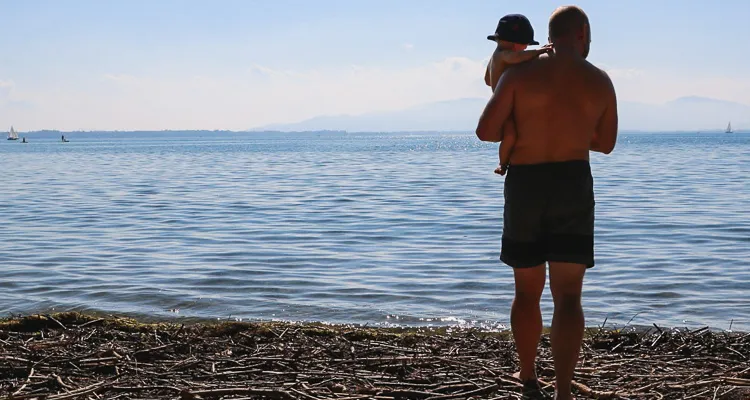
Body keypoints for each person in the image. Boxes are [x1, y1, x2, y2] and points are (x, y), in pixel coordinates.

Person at [475, 5, 618, 400]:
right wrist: (571, 134)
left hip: (526, 184)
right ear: (582, 33)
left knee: (526, 291)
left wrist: (529, 129)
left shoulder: (519, 75)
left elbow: (486, 131)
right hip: (572, 182)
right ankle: (564, 393)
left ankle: (527, 378)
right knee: (569, 296)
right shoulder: (601, 82)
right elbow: (605, 144)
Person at [484, 14, 552, 176]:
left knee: (513, 132)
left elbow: (487, 80)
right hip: (505, 105)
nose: (526, 49)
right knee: (510, 134)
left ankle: (506, 161)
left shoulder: (495, 57)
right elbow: (517, 57)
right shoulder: (504, 55)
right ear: (516, 45)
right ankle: (503, 164)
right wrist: (540, 51)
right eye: (526, 46)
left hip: (504, 101)